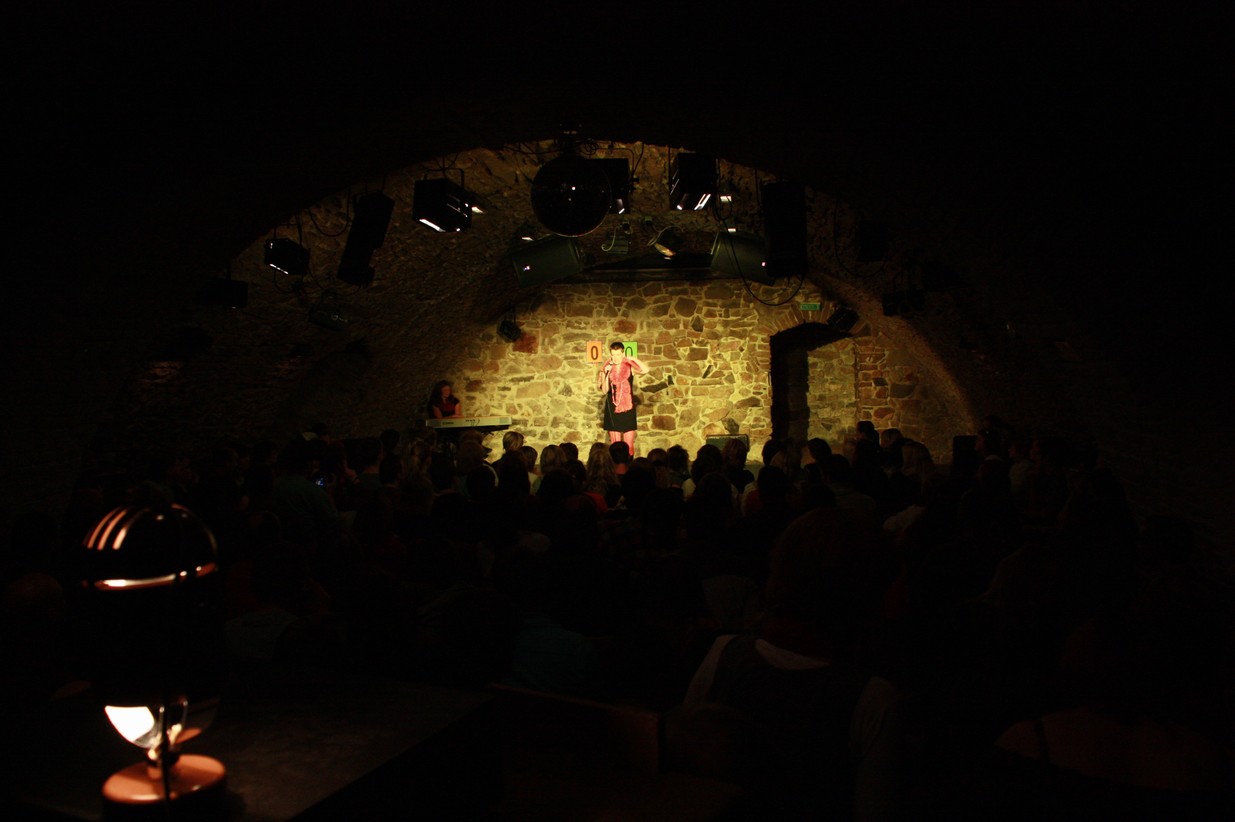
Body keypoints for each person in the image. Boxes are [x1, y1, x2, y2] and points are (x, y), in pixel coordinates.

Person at [597, 341, 648, 458]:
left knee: (629, 446)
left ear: (623, 354)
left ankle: (628, 466)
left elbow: (645, 370)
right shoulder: (606, 368)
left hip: (627, 408)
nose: (615, 358)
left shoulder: (629, 367)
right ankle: (616, 467)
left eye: (618, 355)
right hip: (613, 408)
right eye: (613, 355)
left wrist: (632, 358)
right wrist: (606, 373)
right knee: (615, 446)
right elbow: (604, 390)